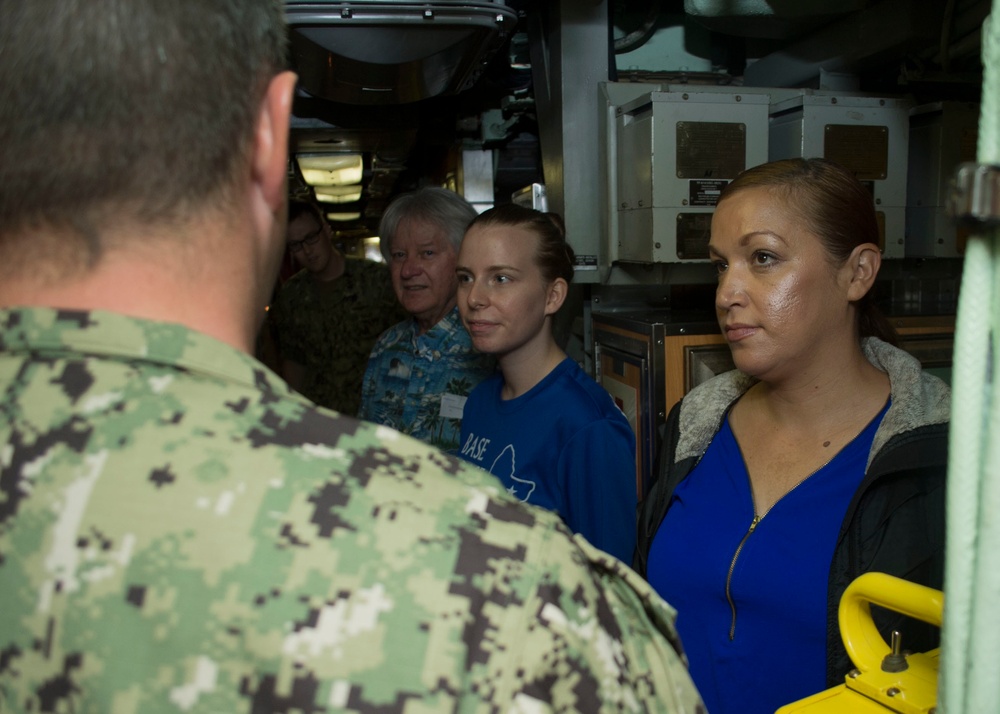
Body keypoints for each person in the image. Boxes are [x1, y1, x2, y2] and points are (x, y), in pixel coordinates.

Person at [0, 1, 705, 712]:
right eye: (462, 276)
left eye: (465, 268)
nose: (463, 292)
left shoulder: (576, 430)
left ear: (553, 295)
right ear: (274, 134)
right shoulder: (486, 577)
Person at [635, 158, 950, 714]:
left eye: (762, 259)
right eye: (720, 265)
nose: (727, 292)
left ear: (857, 273)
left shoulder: (938, 458)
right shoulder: (694, 427)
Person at [455, 204, 637, 563]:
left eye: (501, 278)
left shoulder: (586, 426)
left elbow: (610, 585)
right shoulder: (479, 401)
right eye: (465, 277)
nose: (474, 298)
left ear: (552, 296)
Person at [359, 187, 495, 452]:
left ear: (464, 259)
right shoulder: (387, 347)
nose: (408, 270)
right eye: (399, 255)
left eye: (427, 253)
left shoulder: (490, 347)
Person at [266, 200, 406, 415]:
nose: (307, 250)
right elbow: (294, 362)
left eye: (311, 238)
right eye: (296, 245)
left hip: (372, 409)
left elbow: (404, 346)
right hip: (319, 413)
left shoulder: (376, 280)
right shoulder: (291, 296)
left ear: (327, 230)